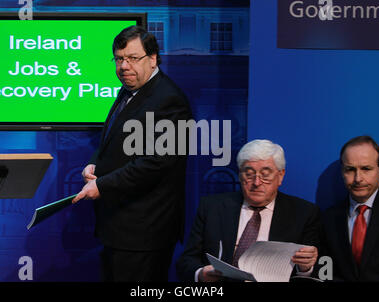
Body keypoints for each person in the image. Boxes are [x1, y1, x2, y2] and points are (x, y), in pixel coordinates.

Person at [72, 26, 192, 281]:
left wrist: (102, 185)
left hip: (145, 233)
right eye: (119, 59)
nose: (124, 66)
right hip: (119, 228)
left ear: (153, 58)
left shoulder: (170, 100)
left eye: (133, 58)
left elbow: (157, 162)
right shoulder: (129, 90)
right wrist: (94, 165)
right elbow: (114, 141)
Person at [176, 139, 320, 282]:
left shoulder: (303, 213)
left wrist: (305, 268)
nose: (256, 183)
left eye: (265, 174)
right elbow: (186, 262)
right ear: (239, 175)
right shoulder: (212, 207)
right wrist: (201, 273)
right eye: (249, 174)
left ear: (280, 176)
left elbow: (314, 272)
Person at [320, 135, 379, 281]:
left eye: (366, 169)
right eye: (350, 169)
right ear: (342, 172)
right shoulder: (329, 218)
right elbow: (325, 271)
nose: (358, 178)